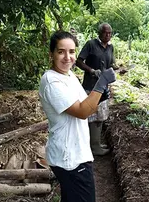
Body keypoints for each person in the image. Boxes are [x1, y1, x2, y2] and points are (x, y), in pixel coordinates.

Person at [39, 31, 116, 202]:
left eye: (72, 51)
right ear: (51, 54)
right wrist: (101, 82)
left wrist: (100, 95)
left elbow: (84, 102)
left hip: (75, 152)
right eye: (61, 51)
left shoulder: (68, 75)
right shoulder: (52, 81)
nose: (68, 57)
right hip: (70, 159)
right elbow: (83, 111)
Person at [76, 23, 117, 156]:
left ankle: (96, 144)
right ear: (99, 33)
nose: (108, 35)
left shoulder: (110, 47)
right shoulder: (91, 44)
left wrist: (117, 69)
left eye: (110, 33)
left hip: (103, 87)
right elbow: (79, 61)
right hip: (90, 86)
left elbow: (110, 65)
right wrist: (91, 71)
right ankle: (89, 146)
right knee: (90, 116)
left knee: (100, 117)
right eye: (105, 33)